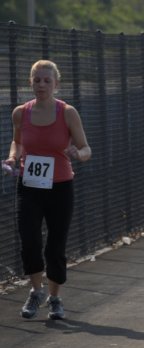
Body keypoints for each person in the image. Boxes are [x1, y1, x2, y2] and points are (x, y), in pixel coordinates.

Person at [3, 60, 91, 320]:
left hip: (60, 186)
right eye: (37, 80)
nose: (41, 85)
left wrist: (78, 153)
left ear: (56, 84)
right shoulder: (21, 113)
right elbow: (17, 142)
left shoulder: (67, 112)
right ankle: (36, 290)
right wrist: (12, 157)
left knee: (55, 246)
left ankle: (55, 298)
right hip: (29, 185)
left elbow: (86, 148)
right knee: (29, 240)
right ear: (30, 82)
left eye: (46, 80)